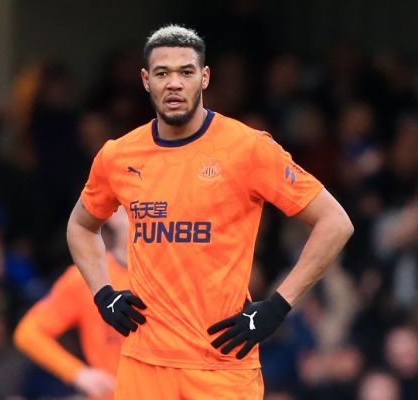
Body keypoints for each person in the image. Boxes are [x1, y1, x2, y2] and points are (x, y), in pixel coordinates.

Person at [66, 24, 354, 399]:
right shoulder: (118, 156)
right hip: (144, 364)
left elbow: (335, 222)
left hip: (223, 364)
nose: (174, 83)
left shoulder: (248, 148)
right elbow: (81, 225)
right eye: (162, 73)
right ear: (145, 80)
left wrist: (278, 307)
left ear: (204, 78)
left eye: (186, 72)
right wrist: (103, 293)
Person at [14, 207, 130, 400]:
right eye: (134, 210)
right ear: (114, 215)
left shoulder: (177, 274)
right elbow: (29, 332)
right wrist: (77, 373)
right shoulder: (86, 277)